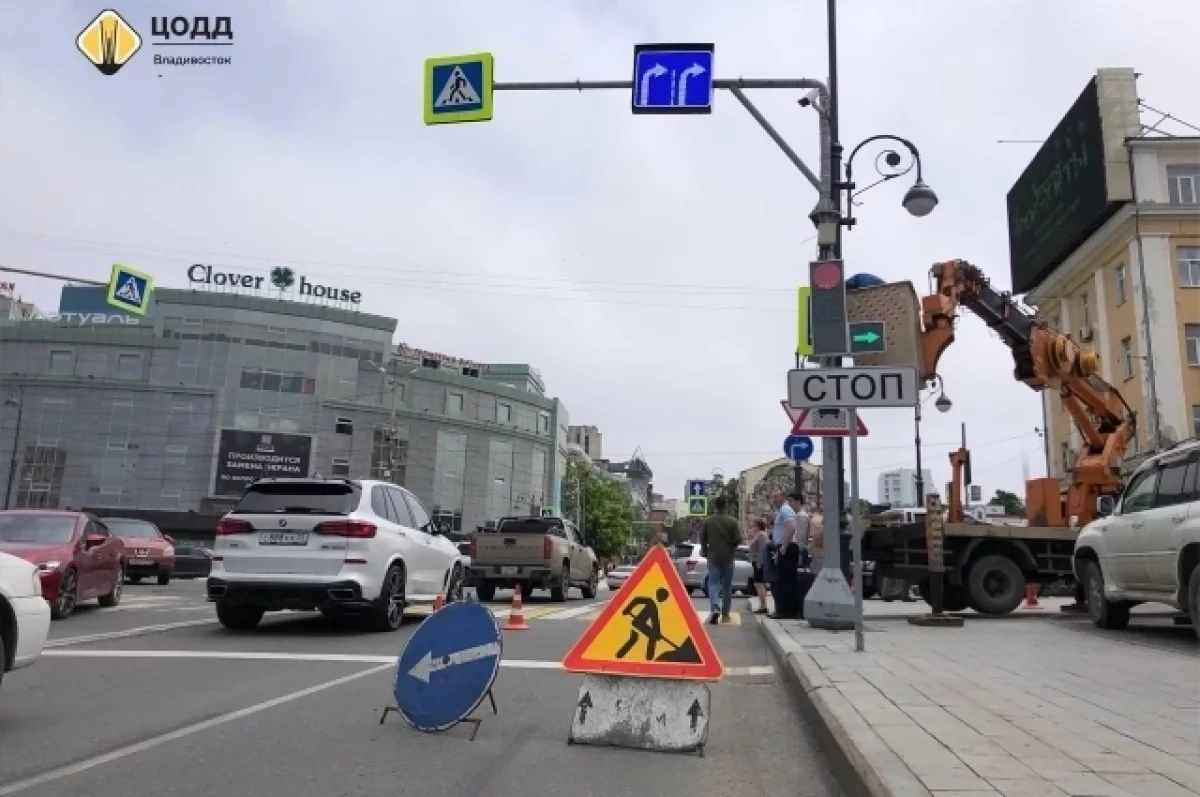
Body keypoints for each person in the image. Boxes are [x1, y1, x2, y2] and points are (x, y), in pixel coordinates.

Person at [701, 495, 741, 625]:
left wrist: (705, 551)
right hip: (728, 557)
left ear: (715, 506)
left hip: (712, 556)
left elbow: (703, 538)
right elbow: (738, 539)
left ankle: (714, 608)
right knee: (726, 586)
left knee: (713, 584)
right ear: (726, 505)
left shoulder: (708, 521)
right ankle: (725, 615)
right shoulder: (732, 521)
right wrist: (731, 546)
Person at [768, 488, 804, 619]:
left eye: (776, 497)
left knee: (785, 581)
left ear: (783, 497)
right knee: (785, 580)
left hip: (788, 548)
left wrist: (783, 546)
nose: (774, 500)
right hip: (786, 547)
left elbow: (791, 527)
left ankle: (786, 610)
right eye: (772, 497)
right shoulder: (782, 511)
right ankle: (789, 610)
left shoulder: (785, 510)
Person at [746, 518, 770, 615]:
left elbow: (762, 550)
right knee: (758, 584)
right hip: (755, 561)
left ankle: (763, 606)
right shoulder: (757, 535)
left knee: (759, 584)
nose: (753, 528)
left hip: (759, 562)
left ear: (759, 526)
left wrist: (759, 563)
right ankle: (762, 605)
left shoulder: (761, 535)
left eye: (754, 526)